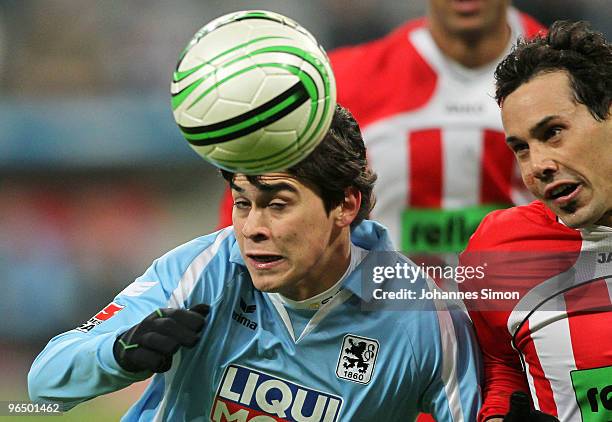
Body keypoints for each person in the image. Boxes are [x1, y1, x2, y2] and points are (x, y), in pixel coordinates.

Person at [28, 105, 482, 421]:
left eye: (278, 205)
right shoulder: (206, 270)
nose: (251, 228)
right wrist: (120, 353)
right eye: (243, 203)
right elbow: (43, 388)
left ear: (344, 205)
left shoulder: (423, 318)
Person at [217, 0, 544, 256]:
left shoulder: (572, 74)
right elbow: (253, 201)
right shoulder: (342, 82)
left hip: (525, 319)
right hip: (383, 322)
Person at [460, 21, 612, 422]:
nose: (537, 166)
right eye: (521, 148)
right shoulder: (502, 253)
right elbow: (500, 366)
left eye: (553, 132)